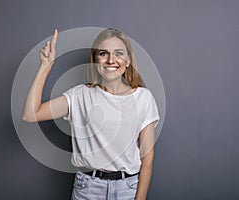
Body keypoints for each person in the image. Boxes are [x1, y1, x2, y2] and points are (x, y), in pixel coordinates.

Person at [22, 28, 160, 200]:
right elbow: (30, 114)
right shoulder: (80, 95)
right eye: (103, 53)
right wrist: (45, 66)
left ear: (128, 60)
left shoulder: (143, 98)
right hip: (88, 189)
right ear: (95, 60)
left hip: (128, 189)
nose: (111, 60)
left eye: (118, 53)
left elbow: (147, 159)